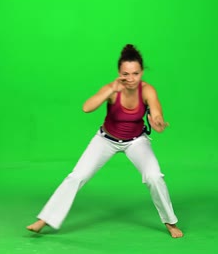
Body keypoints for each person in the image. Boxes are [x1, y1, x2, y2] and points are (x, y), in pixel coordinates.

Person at [26, 44, 183, 238]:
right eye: (126, 73)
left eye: (135, 73)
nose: (131, 79)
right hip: (106, 140)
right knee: (77, 176)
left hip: (136, 141)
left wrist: (158, 123)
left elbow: (158, 120)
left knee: (154, 177)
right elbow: (86, 107)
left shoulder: (147, 91)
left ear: (142, 72)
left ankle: (170, 222)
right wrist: (109, 92)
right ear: (119, 73)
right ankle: (45, 219)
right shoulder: (112, 88)